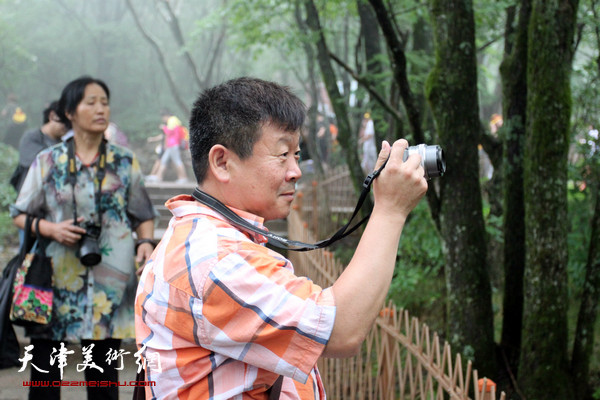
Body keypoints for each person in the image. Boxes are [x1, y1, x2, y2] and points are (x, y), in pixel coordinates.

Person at [134, 77, 428, 399]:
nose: (295, 171)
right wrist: (390, 210)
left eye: (297, 155)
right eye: (282, 154)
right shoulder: (220, 260)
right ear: (222, 162)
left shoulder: (201, 237)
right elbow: (341, 329)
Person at [11, 76, 156, 400]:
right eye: (90, 102)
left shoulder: (123, 161)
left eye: (104, 101)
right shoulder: (48, 161)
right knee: (45, 373)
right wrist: (52, 229)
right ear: (69, 112)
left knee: (104, 373)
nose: (100, 108)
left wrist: (145, 243)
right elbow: (19, 212)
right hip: (55, 281)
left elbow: (143, 215)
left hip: (111, 282)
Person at [10, 100, 67, 193]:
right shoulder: (32, 137)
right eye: (65, 121)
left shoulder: (64, 143)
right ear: (52, 116)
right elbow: (40, 163)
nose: (67, 126)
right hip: (30, 196)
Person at [146, 110, 188, 183]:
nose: (163, 119)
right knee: (164, 160)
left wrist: (163, 128)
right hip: (171, 145)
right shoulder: (175, 120)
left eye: (163, 117)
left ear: (166, 115)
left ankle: (183, 178)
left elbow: (169, 132)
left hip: (173, 144)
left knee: (177, 161)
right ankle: (158, 177)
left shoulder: (172, 120)